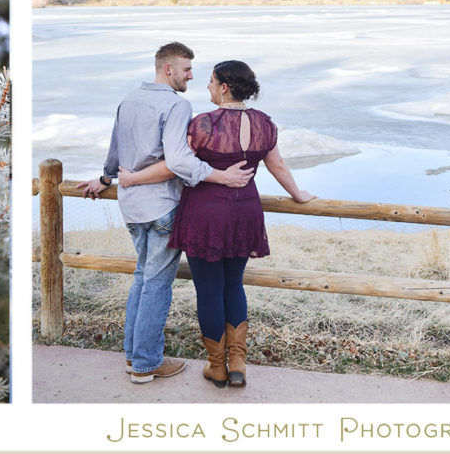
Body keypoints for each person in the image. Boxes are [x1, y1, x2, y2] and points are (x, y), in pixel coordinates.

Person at [119, 59, 315, 388]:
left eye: (210, 81)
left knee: (209, 289)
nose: (207, 87)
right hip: (245, 211)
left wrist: (132, 178)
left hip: (205, 214)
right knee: (233, 285)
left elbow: (175, 166)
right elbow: (277, 164)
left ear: (224, 87)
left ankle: (217, 368)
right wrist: (298, 193)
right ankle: (238, 364)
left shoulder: (203, 124)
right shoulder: (264, 123)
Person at [77, 43, 254, 385]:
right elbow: (178, 162)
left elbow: (114, 151)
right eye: (187, 69)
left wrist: (105, 178)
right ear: (167, 69)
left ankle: (132, 356)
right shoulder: (176, 104)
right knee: (156, 284)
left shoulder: (128, 99)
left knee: (143, 277)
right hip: (161, 206)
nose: (192, 76)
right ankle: (145, 364)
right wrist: (221, 176)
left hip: (130, 205)